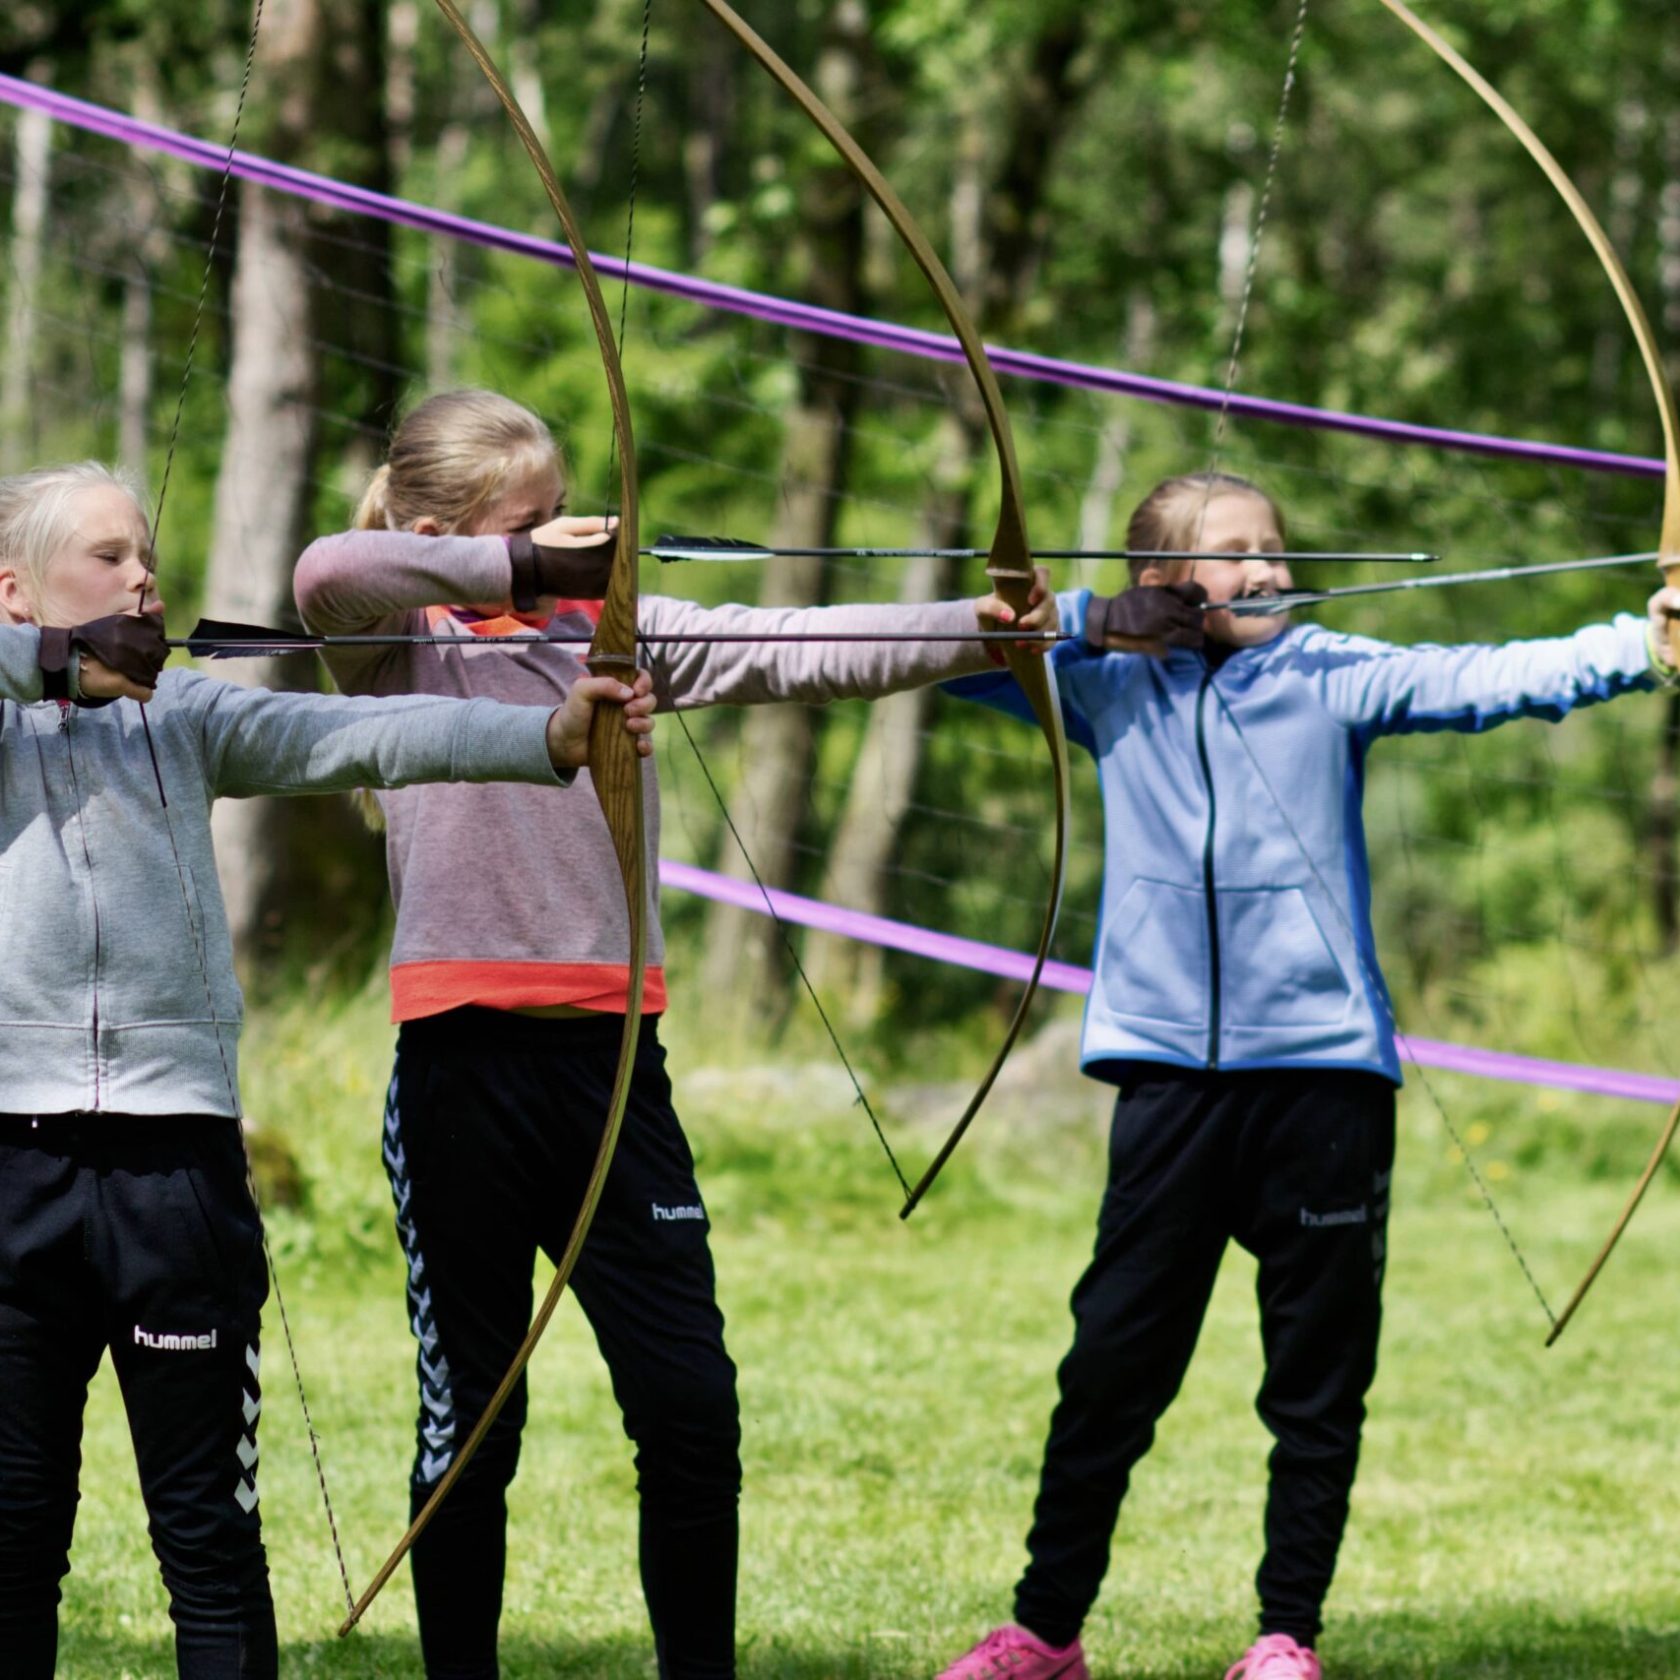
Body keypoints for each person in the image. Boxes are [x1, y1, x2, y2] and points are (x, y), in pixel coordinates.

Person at [292, 387, 1057, 1680]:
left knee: (692, 1407)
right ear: (446, 530)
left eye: (560, 516)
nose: (566, 541)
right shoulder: (396, 642)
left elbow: (794, 642)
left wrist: (976, 632)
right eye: (529, 527)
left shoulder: (617, 636)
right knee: (474, 1422)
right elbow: (328, 567)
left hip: (611, 1073)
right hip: (460, 1070)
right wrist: (520, 564)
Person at [933, 470, 1680, 1680]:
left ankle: (1286, 1637)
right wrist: (1080, 618)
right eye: (1234, 554)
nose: (1270, 569)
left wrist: (1639, 645)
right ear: (1165, 581)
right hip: (1168, 1083)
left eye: (1275, 547)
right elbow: (936, 656)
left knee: (1315, 1384)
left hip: (1323, 1083)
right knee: (1111, 1370)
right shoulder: (1108, 687)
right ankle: (1045, 1631)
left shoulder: (1329, 672)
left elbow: (1487, 677)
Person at [0, 460, 655, 1680]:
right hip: (14, 1171)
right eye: (105, 558)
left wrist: (547, 732)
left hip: (176, 1176)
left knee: (207, 1540)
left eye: (145, 554)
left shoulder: (185, 714)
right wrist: (43, 665)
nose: (142, 575)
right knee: (13, 1532)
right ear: (17, 590)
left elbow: (361, 729)